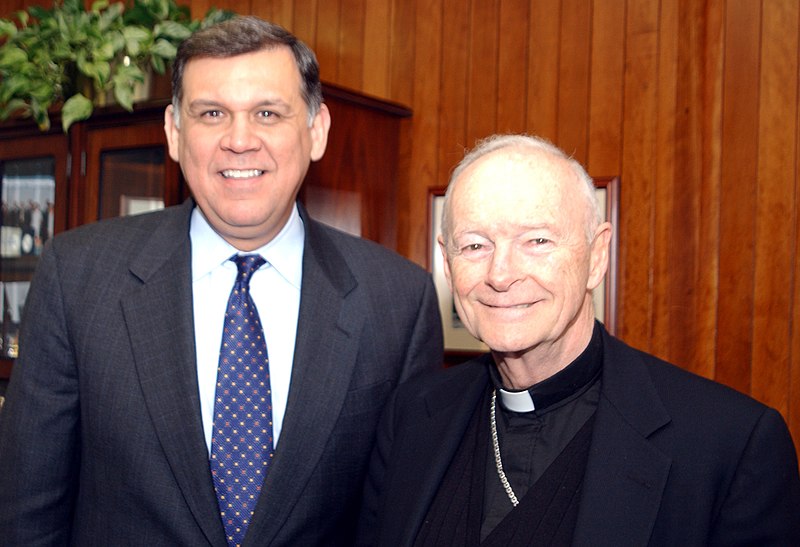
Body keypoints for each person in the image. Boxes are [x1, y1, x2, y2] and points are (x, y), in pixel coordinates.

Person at [0, 16, 443, 546]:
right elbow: (27, 513)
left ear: (316, 130)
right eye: (212, 113)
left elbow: (401, 520)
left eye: (267, 113)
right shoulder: (78, 277)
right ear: (174, 132)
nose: (239, 140)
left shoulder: (398, 300)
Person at [357, 134, 800, 546]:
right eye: (475, 246)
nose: (500, 274)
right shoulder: (411, 416)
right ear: (448, 265)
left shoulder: (729, 446)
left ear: (596, 257)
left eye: (537, 240)